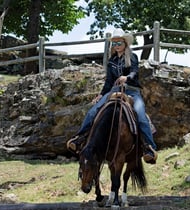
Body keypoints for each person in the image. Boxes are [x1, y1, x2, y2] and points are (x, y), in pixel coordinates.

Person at [67, 28, 158, 164]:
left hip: (132, 90)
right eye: (114, 43)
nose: (116, 46)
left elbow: (134, 72)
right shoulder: (111, 61)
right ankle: (79, 138)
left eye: (119, 42)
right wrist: (101, 95)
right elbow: (109, 81)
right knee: (93, 111)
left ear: (125, 43)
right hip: (114, 90)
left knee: (140, 114)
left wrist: (126, 77)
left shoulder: (132, 57)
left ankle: (149, 148)